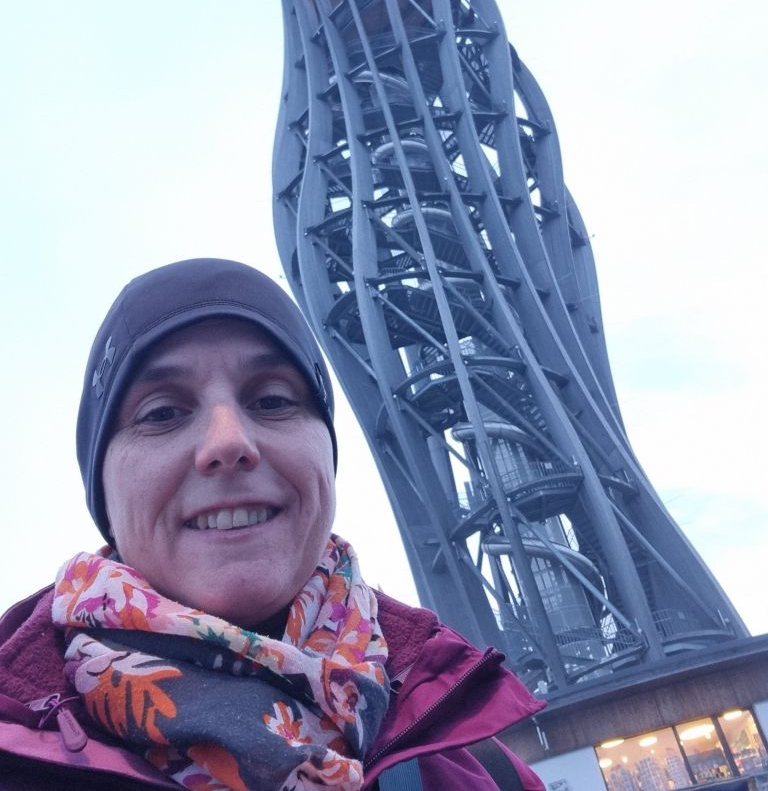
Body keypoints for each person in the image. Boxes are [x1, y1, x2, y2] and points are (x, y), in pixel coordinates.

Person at [0, 259, 545, 791]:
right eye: (162, 412)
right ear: (102, 490)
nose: (228, 442)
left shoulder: (479, 770)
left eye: (272, 400)